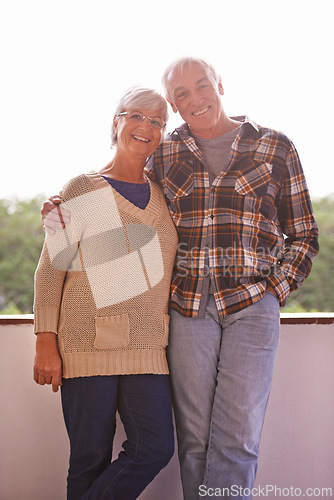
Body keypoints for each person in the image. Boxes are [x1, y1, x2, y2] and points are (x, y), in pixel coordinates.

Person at [42, 58, 319, 500]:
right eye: (182, 93)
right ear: (174, 102)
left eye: (202, 85)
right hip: (186, 307)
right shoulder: (166, 152)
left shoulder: (275, 146)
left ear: (220, 85)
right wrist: (63, 212)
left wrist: (274, 289)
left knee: (238, 437)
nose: (195, 98)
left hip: (250, 304)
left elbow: (303, 233)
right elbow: (118, 197)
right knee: (190, 441)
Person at [33, 86, 178, 500]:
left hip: (148, 346)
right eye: (137, 115)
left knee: (154, 448)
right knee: (89, 458)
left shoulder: (165, 196)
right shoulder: (84, 188)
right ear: (117, 122)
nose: (146, 127)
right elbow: (51, 269)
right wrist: (45, 341)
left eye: (157, 121)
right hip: (84, 343)